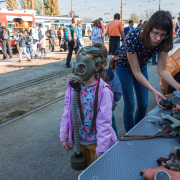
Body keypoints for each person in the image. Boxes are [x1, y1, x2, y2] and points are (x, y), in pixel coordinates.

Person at [114, 10, 180, 132]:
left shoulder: (165, 40)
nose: (158, 38)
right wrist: (154, 90)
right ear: (149, 28)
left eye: (163, 34)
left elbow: (162, 70)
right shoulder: (134, 35)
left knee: (143, 104)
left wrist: (178, 86)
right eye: (155, 33)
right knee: (130, 104)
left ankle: (138, 129)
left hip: (141, 66)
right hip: (124, 67)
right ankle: (130, 134)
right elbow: (136, 71)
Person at [60, 46, 117, 167]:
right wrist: (64, 136)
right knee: (85, 170)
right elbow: (67, 113)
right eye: (78, 63)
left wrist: (101, 148)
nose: (79, 68)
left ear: (97, 66)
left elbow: (105, 122)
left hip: (96, 142)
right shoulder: (73, 87)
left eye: (83, 64)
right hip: (79, 141)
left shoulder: (104, 92)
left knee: (100, 170)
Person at [92, 43, 123, 138]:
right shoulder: (113, 76)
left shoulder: (86, 78)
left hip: (89, 115)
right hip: (108, 114)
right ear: (106, 59)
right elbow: (118, 94)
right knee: (111, 133)